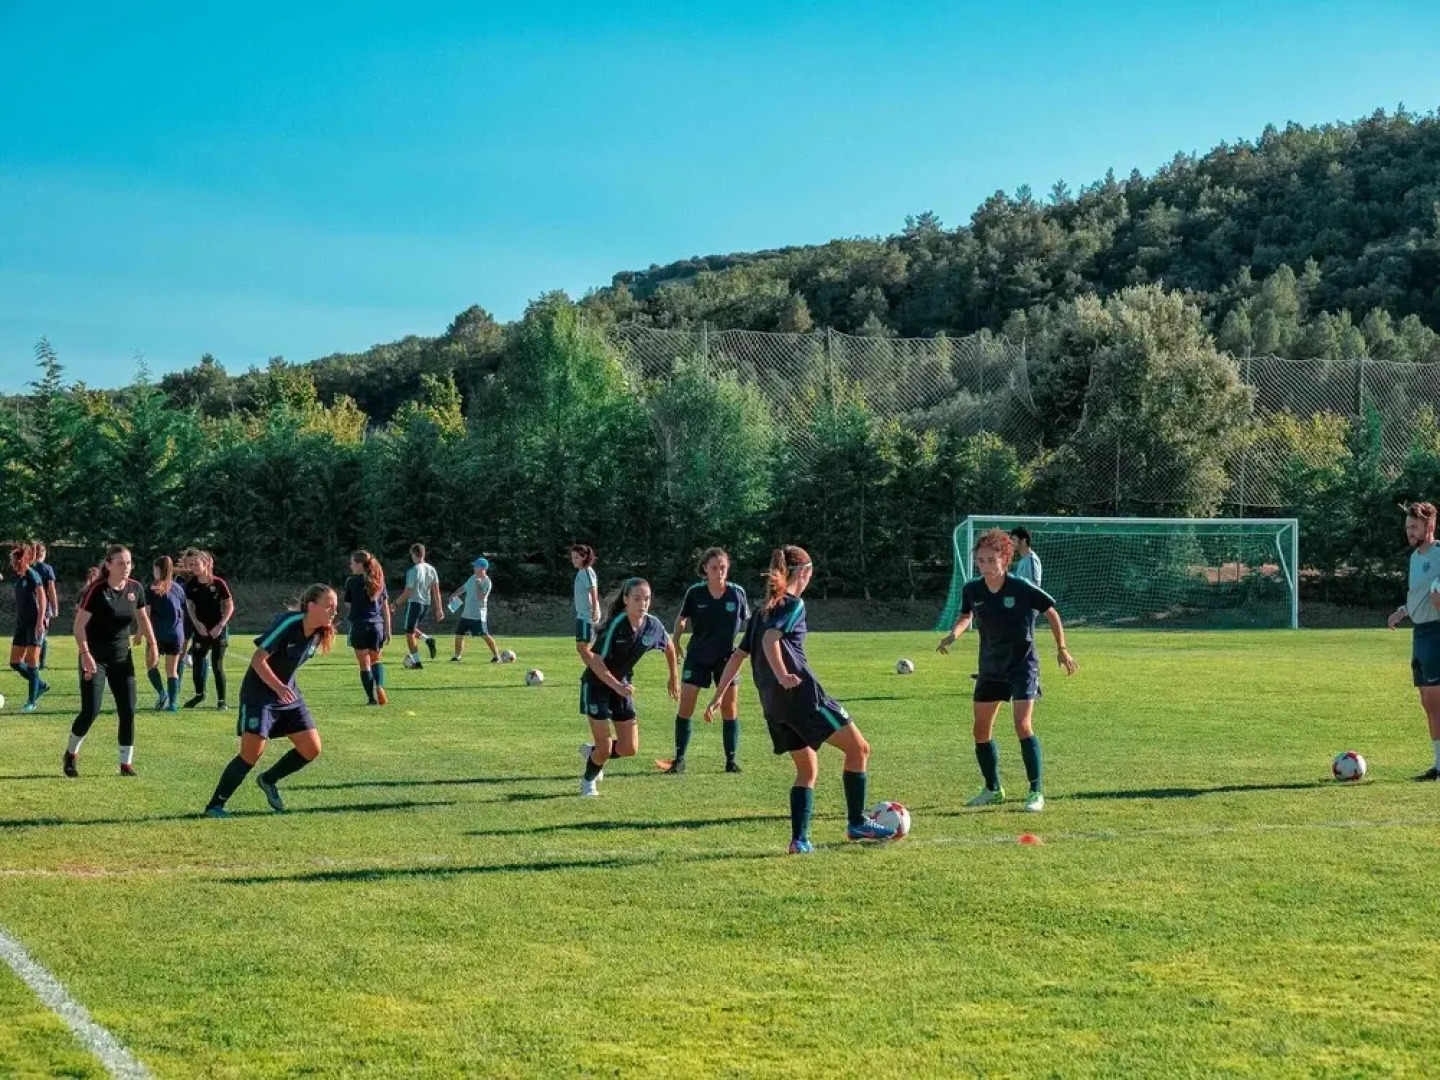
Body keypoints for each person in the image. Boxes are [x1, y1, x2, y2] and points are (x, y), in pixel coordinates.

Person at [705, 546, 895, 852]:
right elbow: (770, 641)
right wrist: (782, 675)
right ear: (804, 573)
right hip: (803, 698)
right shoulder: (793, 604)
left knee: (807, 769)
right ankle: (857, 822)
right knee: (859, 749)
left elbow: (739, 654)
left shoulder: (764, 610)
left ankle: (800, 840)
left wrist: (718, 695)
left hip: (774, 706)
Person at [937, 528, 1078, 812]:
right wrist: (954, 634)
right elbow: (966, 616)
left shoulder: (1020, 587)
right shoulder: (972, 589)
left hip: (1022, 665)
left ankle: (1035, 790)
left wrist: (1061, 648)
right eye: (980, 560)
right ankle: (992, 788)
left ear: (1005, 558)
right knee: (980, 731)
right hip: (990, 666)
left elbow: (1051, 612)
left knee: (1022, 725)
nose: (985, 565)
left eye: (991, 560)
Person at [203, 584, 337, 817]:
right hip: (260, 695)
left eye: (335, 608)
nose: (334, 612)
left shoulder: (319, 632)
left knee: (311, 748)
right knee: (251, 754)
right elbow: (258, 660)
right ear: (312, 607)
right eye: (329, 607)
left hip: (288, 696)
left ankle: (268, 780)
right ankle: (215, 806)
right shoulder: (289, 623)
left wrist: (284, 689)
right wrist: (277, 687)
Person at [577, 577, 680, 797]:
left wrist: (673, 677)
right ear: (626, 600)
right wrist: (615, 685)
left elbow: (669, 646)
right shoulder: (616, 625)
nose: (643, 604)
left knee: (629, 748)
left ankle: (592, 753)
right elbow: (595, 660)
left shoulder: (653, 625)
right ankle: (588, 781)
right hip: (596, 685)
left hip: (621, 686)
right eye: (637, 599)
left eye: (647, 599)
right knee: (604, 748)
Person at [66, 545, 159, 777]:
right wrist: (85, 655)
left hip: (121, 658)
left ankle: (125, 764)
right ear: (108, 565)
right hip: (95, 658)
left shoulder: (135, 588)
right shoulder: (96, 590)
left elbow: (142, 617)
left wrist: (153, 644)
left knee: (128, 710)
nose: (126, 567)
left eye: (129, 563)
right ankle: (70, 754)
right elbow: (78, 627)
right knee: (91, 711)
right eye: (121, 563)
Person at [657, 547, 749, 775]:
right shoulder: (695, 592)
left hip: (727, 657)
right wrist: (676, 640)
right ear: (705, 569)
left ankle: (731, 761)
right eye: (714, 567)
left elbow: (749, 623)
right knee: (686, 706)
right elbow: (682, 618)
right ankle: (679, 759)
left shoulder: (737, 593)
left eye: (723, 568)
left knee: (729, 709)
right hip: (698, 655)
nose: (719, 572)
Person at [1387, 501, 1440, 781]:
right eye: (1408, 527)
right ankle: (1438, 765)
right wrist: (1403, 610)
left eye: (1414, 527)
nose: (1409, 531)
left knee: (1436, 699)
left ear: (1429, 526)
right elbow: (1418, 593)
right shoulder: (1415, 558)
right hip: (1420, 633)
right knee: (1428, 702)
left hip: (1437, 632)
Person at [183, 552, 234, 709]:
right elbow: (189, 606)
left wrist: (220, 625)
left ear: (206, 564)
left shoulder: (219, 583)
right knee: (197, 663)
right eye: (191, 565)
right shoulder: (191, 584)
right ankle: (199, 695)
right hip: (201, 630)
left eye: (196, 564)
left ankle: (221, 701)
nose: (193, 567)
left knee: (217, 664)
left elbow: (230, 605)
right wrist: (197, 624)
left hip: (218, 630)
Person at [344, 550, 391, 706]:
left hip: (359, 625)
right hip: (377, 625)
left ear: (359, 565)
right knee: (377, 661)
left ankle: (371, 698)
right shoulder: (379, 581)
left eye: (352, 563)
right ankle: (380, 686)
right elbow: (385, 607)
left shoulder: (351, 581)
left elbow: (348, 604)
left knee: (365, 664)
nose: (350, 566)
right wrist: (388, 629)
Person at [8, 543, 50, 713]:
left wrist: (40, 622)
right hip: (22, 623)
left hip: (34, 623)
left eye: (14, 560)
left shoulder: (33, 575)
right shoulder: (19, 578)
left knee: (32, 661)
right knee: (15, 662)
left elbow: (42, 599)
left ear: (22, 559)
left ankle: (31, 701)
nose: (12, 563)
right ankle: (40, 685)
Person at [144, 555, 187, 711]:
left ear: (157, 569)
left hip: (157, 634)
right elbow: (182, 611)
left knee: (151, 666)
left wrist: (139, 633)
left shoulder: (152, 588)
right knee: (172, 670)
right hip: (176, 634)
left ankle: (162, 694)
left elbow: (146, 615)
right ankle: (173, 704)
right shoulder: (179, 588)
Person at [393, 543, 443, 669]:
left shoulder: (414, 570)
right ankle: (427, 640)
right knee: (412, 628)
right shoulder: (432, 569)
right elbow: (436, 591)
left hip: (414, 603)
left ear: (413, 554)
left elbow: (408, 592)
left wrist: (395, 604)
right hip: (425, 605)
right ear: (423, 553)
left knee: (409, 633)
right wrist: (439, 609)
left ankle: (417, 662)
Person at [449, 557, 501, 662]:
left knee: (485, 635)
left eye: (476, 566)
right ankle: (457, 656)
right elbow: (464, 588)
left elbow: (481, 597)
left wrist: (478, 585)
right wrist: (454, 594)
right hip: (466, 613)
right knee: (459, 634)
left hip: (478, 615)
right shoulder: (472, 577)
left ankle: (496, 656)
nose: (474, 568)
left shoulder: (487, 582)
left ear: (483, 568)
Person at [570, 544, 602, 655]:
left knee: (584, 648)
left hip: (587, 615)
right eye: (572, 557)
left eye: (576, 557)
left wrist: (595, 610)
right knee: (580, 648)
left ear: (584, 557)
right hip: (581, 615)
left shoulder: (587, 572)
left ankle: (597, 670)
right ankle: (594, 669)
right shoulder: (581, 572)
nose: (573, 560)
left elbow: (593, 591)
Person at [32, 542, 59, 670]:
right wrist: (55, 607)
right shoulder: (47, 569)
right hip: (43, 606)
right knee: (42, 634)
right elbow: (51, 589)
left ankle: (30, 660)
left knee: (30, 633)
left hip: (30, 604)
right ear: (44, 553)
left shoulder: (28, 567)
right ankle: (40, 663)